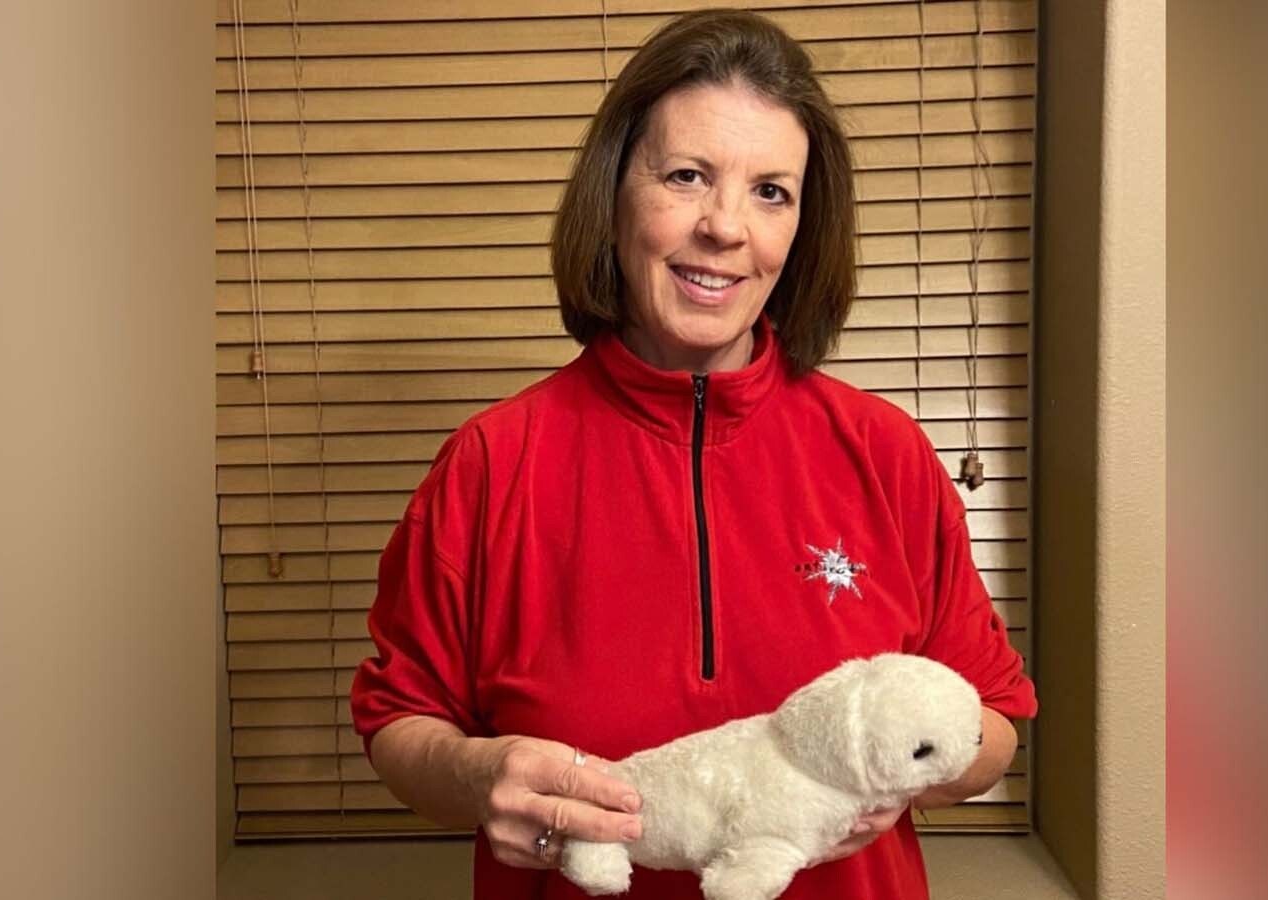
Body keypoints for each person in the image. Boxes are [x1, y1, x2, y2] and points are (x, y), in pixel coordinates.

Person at [350, 9, 1038, 899]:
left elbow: (997, 730)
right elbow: (401, 723)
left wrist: (915, 764)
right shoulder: (491, 464)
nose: (725, 228)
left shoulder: (886, 453)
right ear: (616, 192)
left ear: (801, 228)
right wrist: (482, 775)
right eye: (686, 176)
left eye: (771, 192)